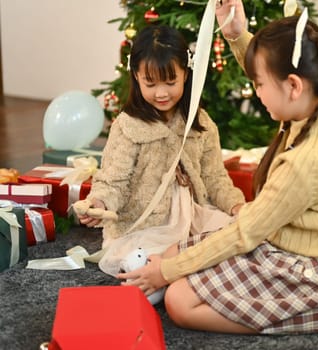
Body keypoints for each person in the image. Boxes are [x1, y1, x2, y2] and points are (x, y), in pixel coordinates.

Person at [119, 0, 318, 334]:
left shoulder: (306, 161)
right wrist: (238, 36)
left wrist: (166, 272)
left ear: (293, 86)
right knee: (171, 253)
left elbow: (244, 234)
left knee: (179, 301)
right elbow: (273, 67)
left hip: (317, 267)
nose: (257, 91)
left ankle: (316, 315)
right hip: (286, 239)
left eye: (259, 86)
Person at [75, 24, 245, 275]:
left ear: (185, 75)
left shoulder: (201, 124)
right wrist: (99, 203)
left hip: (193, 217)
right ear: (136, 76)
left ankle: (180, 270)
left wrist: (236, 206)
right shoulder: (127, 127)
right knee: (143, 261)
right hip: (144, 225)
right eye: (151, 83)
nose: (161, 93)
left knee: (237, 242)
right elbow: (113, 181)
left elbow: (214, 177)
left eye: (170, 81)